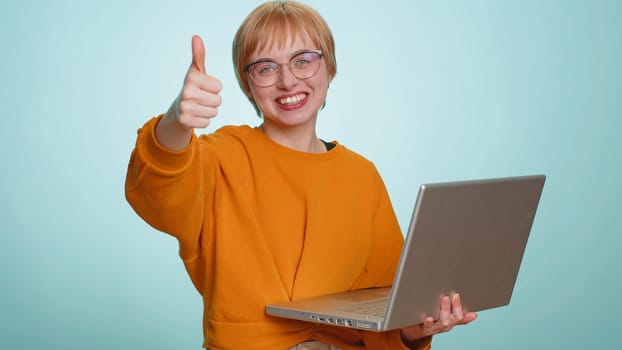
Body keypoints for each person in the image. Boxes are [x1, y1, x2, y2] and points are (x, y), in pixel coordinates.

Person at [125, 1, 476, 349]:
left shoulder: (362, 175)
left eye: (304, 61)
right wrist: (176, 121)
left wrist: (416, 330)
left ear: (330, 69)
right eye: (265, 68)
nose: (287, 80)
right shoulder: (220, 156)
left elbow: (385, 309)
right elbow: (160, 188)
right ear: (247, 83)